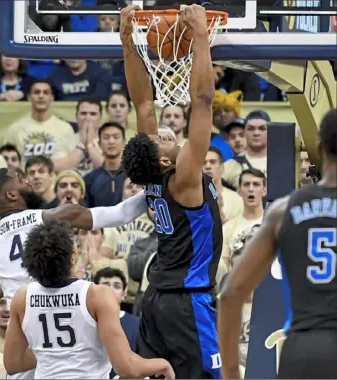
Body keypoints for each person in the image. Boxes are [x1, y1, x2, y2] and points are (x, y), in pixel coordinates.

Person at [120, 4, 222, 378]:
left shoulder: (154, 174)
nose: (166, 134)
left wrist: (127, 44)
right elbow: (204, 102)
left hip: (155, 300)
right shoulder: (183, 178)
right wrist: (199, 38)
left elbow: (143, 102)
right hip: (185, 303)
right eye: (163, 141)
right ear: (164, 162)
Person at [218, 108, 337, 380]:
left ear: (319, 148)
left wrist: (231, 373)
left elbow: (230, 294)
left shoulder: (283, 211)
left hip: (303, 352)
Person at [3, 220, 174, 379]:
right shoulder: (97, 295)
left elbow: (12, 364)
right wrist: (162, 364)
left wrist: (53, 354)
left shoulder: (22, 298)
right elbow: (126, 367)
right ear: (73, 255)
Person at [0, 166, 148, 308]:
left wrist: (7, 285)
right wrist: (154, 189)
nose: (28, 181)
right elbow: (121, 214)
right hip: (53, 311)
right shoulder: (49, 217)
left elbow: (13, 276)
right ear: (11, 194)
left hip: (16, 320)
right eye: (21, 180)